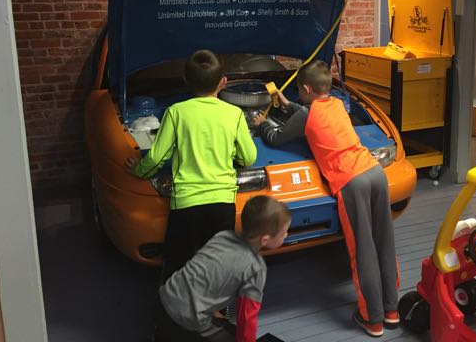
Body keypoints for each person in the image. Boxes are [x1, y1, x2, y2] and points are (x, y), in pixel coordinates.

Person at [252, 60, 399, 338]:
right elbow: (308, 115)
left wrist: (262, 125)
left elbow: (276, 137)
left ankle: (373, 320)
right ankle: (391, 312)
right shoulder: (338, 105)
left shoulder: (307, 115)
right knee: (383, 243)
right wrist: (287, 105)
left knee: (363, 250)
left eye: (299, 92)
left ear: (306, 89)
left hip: (350, 181)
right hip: (374, 173)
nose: (299, 95)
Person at [127, 49, 257, 282]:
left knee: (179, 266)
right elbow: (248, 158)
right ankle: (220, 313)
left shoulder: (176, 112)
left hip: (187, 204)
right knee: (218, 266)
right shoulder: (234, 113)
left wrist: (138, 171)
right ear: (223, 82)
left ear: (186, 80)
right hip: (223, 203)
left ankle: (174, 314)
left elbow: (157, 157)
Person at [154, 195, 292, 342]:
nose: (286, 235)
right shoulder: (255, 267)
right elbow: (246, 317)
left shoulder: (223, 236)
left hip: (165, 298)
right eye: (284, 233)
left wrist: (213, 311)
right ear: (265, 239)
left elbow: (204, 273)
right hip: (187, 320)